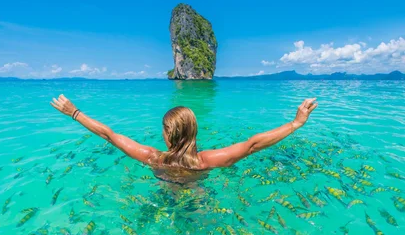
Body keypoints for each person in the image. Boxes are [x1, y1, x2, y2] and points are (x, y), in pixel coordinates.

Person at [50, 94, 318, 183]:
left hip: (164, 197)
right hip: (198, 202)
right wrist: (295, 123)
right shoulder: (206, 161)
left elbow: (109, 135)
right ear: (193, 132)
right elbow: (252, 144)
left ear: (168, 135)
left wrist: (74, 113)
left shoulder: (153, 158)